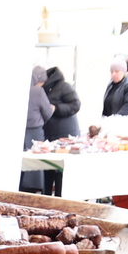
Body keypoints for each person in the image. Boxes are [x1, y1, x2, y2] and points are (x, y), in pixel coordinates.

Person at [43, 66, 81, 196]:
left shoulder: (64, 87)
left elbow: (76, 104)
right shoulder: (43, 88)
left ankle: (61, 199)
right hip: (49, 134)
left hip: (64, 134)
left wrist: (57, 108)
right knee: (47, 168)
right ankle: (47, 198)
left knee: (60, 171)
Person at [22, 65, 55, 192]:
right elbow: (48, 112)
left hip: (20, 132)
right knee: (34, 166)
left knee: (22, 165)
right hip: (35, 131)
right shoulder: (38, 91)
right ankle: (33, 190)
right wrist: (52, 107)